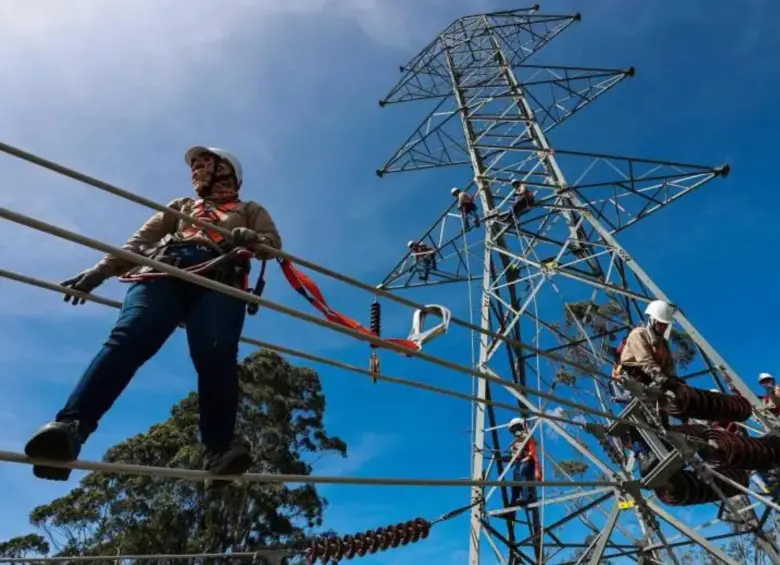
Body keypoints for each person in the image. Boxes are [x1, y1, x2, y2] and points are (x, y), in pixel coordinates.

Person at [24, 146, 282, 481]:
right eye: (196, 167)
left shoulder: (249, 209)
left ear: (227, 172)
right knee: (129, 336)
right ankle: (70, 428)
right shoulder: (181, 206)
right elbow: (139, 241)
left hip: (220, 276)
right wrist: (101, 271)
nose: (198, 171)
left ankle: (219, 451)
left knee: (217, 352)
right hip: (163, 271)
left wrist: (253, 239)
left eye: (206, 165)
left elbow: (272, 244)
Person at [615, 299, 677, 474]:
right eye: (661, 324)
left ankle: (665, 449)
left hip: (653, 381)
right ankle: (643, 456)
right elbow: (645, 361)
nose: (663, 328)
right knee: (638, 418)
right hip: (632, 379)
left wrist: (672, 381)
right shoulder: (639, 334)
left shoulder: (663, 344)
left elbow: (669, 366)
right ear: (652, 320)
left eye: (666, 325)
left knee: (662, 417)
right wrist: (662, 379)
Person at [506, 417, 541, 506]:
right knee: (515, 484)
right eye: (513, 430)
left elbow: (532, 446)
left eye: (517, 428)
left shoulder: (527, 436)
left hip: (527, 460)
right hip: (518, 463)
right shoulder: (514, 443)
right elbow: (513, 456)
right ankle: (512, 505)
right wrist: (504, 458)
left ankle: (527, 497)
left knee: (523, 475)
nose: (515, 431)